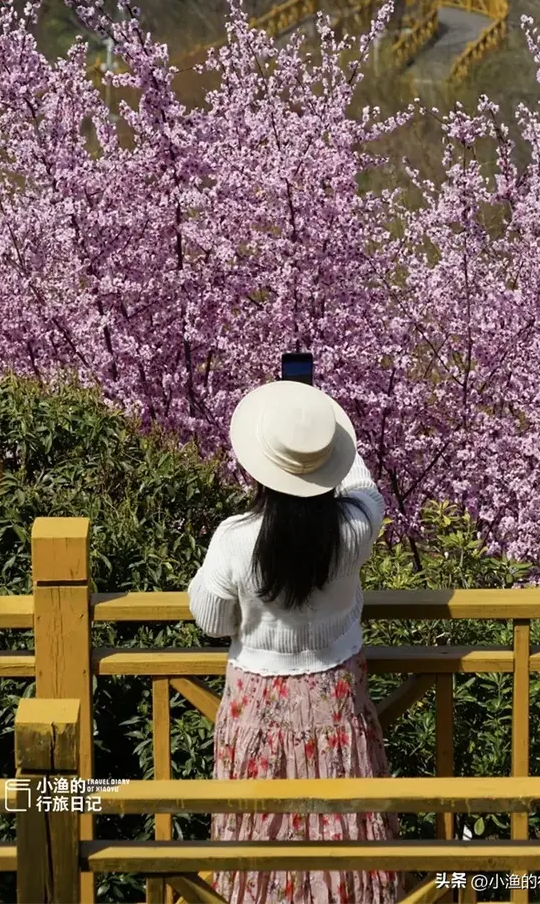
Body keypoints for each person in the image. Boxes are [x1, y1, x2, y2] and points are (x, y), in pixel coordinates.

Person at [188, 380, 404, 904]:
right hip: (337, 700)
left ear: (260, 466)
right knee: (340, 823)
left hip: (257, 709)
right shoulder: (353, 529)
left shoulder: (235, 540)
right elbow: (368, 490)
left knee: (259, 831)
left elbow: (213, 619)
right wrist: (325, 431)